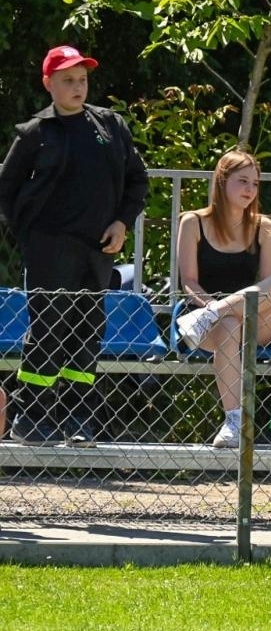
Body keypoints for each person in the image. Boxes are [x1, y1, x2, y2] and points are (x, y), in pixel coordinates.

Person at [0, 45, 148, 445]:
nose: (77, 86)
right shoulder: (35, 133)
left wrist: (121, 222)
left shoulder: (110, 125)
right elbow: (7, 188)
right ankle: (32, 418)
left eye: (82, 79)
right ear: (49, 84)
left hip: (97, 248)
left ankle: (79, 418)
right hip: (49, 247)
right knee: (48, 330)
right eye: (67, 80)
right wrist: (29, 234)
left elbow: (137, 180)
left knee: (86, 332)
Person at [172, 149, 271, 447]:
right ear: (222, 180)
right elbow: (189, 282)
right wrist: (212, 309)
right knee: (227, 325)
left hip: (252, 318)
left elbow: (270, 285)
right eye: (242, 181)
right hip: (202, 319)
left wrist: (222, 309)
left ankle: (218, 312)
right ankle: (235, 421)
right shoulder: (193, 222)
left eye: (255, 184)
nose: (250, 190)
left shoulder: (264, 226)